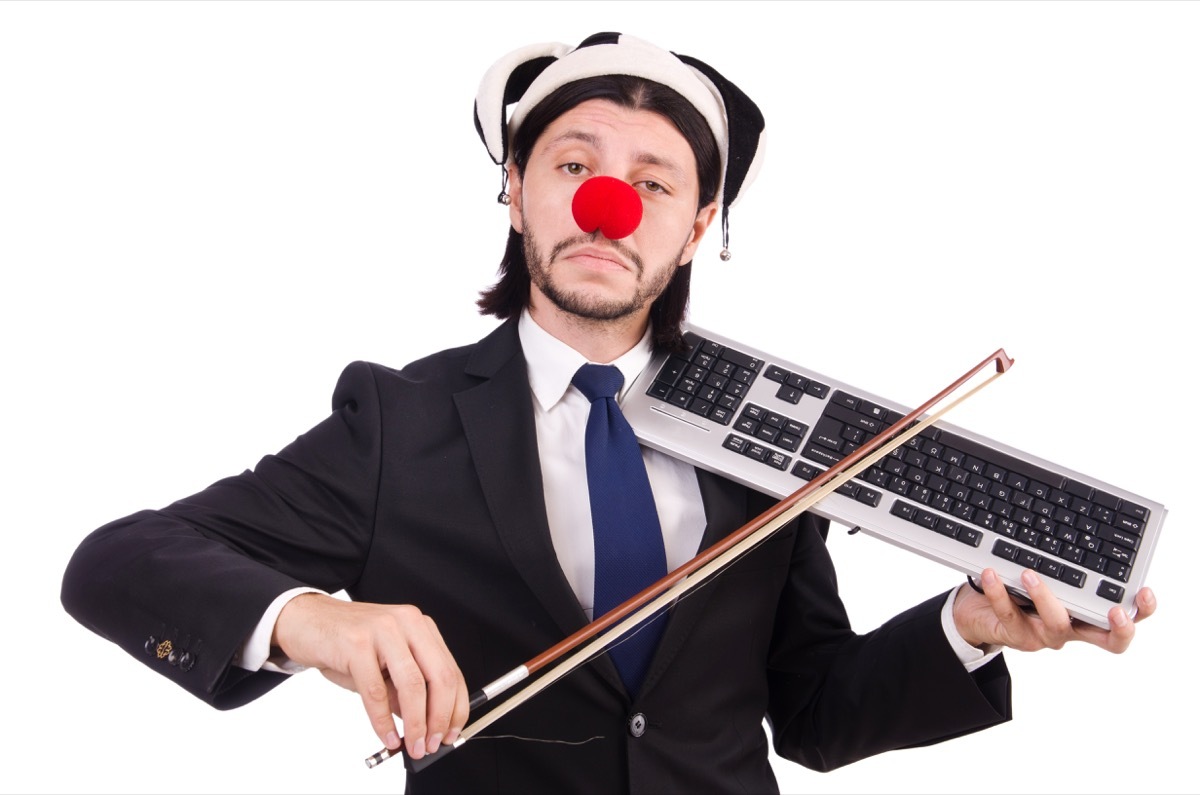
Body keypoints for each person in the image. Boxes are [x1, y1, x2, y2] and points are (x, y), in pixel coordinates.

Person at [60, 32, 1155, 794]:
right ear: (517, 190)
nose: (606, 204)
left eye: (654, 182)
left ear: (697, 228)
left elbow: (814, 714)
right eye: (574, 165)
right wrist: (312, 617)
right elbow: (118, 561)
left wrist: (966, 632)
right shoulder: (400, 419)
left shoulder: (773, 440)